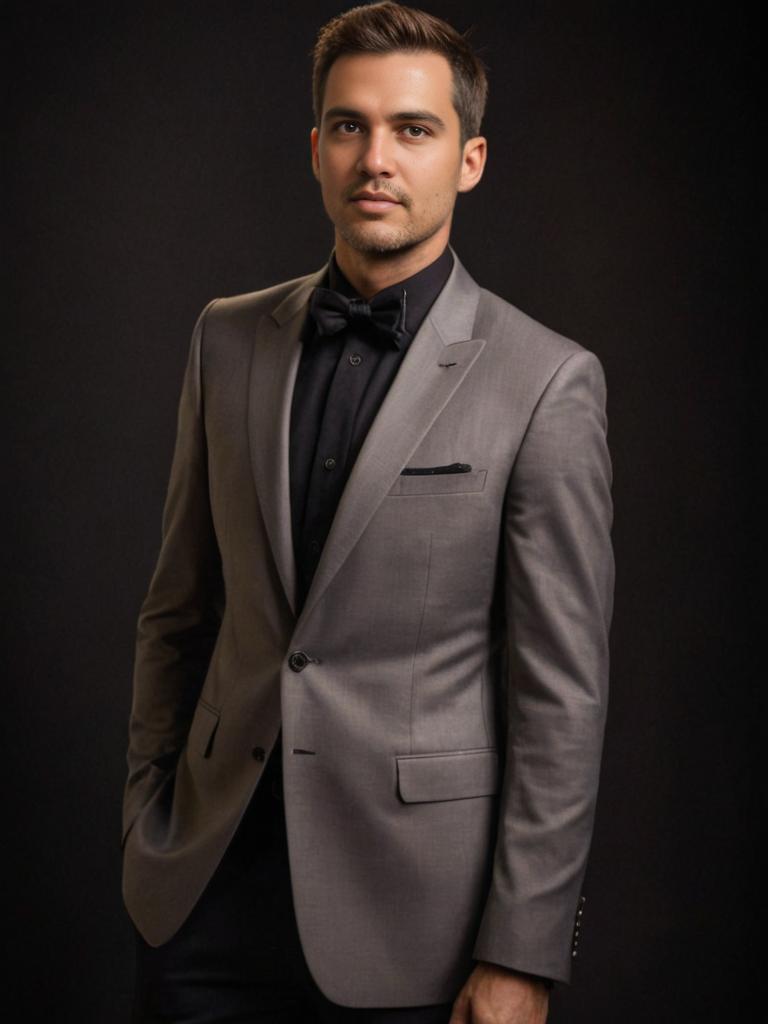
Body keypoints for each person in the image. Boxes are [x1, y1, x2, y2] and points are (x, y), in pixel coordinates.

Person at [121, 3, 614, 1022]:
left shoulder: (548, 379)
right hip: (205, 895)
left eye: (412, 129)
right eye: (349, 126)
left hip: (417, 925)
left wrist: (529, 952)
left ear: (469, 159)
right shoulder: (226, 339)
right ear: (315, 149)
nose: (374, 157)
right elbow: (181, 607)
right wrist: (146, 818)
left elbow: (562, 698)